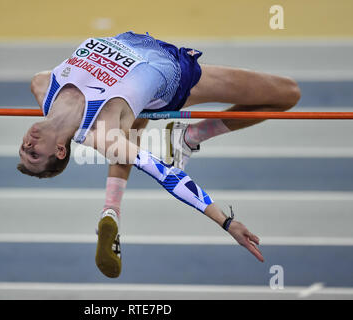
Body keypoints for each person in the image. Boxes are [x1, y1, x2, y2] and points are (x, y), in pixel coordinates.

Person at [17, 31, 301, 278]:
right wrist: (225, 221)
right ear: (60, 150)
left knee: (131, 118)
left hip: (137, 55)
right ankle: (192, 136)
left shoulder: (42, 85)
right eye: (34, 156)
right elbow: (166, 174)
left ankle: (111, 209)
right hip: (175, 77)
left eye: (23, 150)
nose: (27, 147)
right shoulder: (104, 134)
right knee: (288, 93)